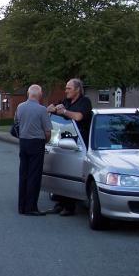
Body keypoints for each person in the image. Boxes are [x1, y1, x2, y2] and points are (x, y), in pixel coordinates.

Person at [46, 78, 93, 216]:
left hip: (80, 144)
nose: (66, 90)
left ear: (77, 89)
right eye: (66, 88)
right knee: (63, 172)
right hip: (65, 142)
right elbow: (55, 108)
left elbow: (78, 117)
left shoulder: (85, 102)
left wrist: (64, 112)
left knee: (74, 172)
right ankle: (60, 203)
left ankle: (70, 206)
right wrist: (52, 108)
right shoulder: (66, 101)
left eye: (69, 88)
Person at [15, 84, 52, 216]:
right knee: (34, 176)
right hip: (36, 143)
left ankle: (22, 206)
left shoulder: (20, 107)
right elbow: (48, 131)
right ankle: (31, 207)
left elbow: (17, 123)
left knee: (23, 174)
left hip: (23, 142)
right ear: (40, 95)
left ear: (28, 93)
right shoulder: (42, 110)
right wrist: (45, 140)